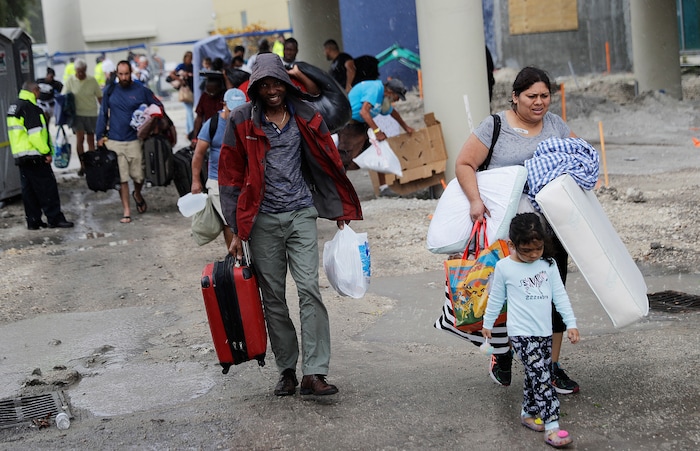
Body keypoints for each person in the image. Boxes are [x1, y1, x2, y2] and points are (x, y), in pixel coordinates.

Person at [218, 53, 362, 397]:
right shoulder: (240, 121)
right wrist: (236, 228)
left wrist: (338, 204)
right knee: (274, 299)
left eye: (276, 83)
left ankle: (314, 371)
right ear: (254, 88)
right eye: (264, 85)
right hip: (262, 220)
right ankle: (286, 369)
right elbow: (230, 176)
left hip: (301, 214)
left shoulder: (306, 115)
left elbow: (329, 160)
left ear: (286, 84)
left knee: (309, 289)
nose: (271, 90)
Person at [454, 66, 580, 394]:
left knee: (552, 295)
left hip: (552, 230)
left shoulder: (556, 125)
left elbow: (579, 158)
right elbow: (464, 163)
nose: (539, 102)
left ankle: (550, 367)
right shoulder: (495, 126)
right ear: (515, 96)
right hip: (506, 232)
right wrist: (475, 201)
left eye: (544, 96)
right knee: (512, 296)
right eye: (531, 96)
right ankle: (504, 353)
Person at [482, 213, 579, 448]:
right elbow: (496, 298)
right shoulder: (504, 267)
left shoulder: (549, 264)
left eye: (538, 248)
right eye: (527, 250)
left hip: (544, 331)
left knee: (536, 374)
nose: (534, 254)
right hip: (521, 334)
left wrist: (571, 323)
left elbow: (560, 297)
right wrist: (488, 322)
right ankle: (552, 425)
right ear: (512, 245)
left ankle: (528, 412)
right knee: (543, 379)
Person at [95, 61, 163, 224]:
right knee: (122, 178)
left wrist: (149, 120)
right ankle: (126, 210)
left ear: (131, 72)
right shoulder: (110, 91)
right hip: (115, 141)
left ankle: (137, 193)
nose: (124, 77)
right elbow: (103, 113)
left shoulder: (141, 91)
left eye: (126, 74)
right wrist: (99, 135)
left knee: (139, 176)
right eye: (121, 74)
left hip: (135, 140)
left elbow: (158, 107)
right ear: (117, 74)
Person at [6, 81, 74, 230]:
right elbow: (36, 135)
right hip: (35, 155)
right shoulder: (31, 108)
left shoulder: (15, 106)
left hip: (22, 156)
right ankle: (55, 218)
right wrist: (46, 152)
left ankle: (34, 220)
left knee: (29, 191)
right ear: (35, 91)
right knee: (47, 188)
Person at [338, 78, 414, 197]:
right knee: (344, 157)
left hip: (362, 124)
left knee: (377, 151)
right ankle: (339, 191)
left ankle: (384, 188)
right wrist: (377, 131)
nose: (397, 100)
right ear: (389, 92)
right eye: (397, 97)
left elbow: (392, 112)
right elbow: (364, 112)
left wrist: (406, 126)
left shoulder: (383, 98)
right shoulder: (375, 89)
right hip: (349, 124)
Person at [191, 88, 247, 249]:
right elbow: (198, 154)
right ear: (224, 105)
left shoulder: (247, 122)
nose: (236, 113)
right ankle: (236, 256)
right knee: (228, 220)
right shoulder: (213, 124)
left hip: (243, 179)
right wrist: (195, 181)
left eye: (240, 109)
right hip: (217, 181)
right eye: (232, 109)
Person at [62, 58, 103, 176]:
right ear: (75, 70)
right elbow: (63, 97)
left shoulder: (92, 80)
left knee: (91, 140)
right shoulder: (70, 80)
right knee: (80, 139)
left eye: (83, 71)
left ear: (85, 70)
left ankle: (91, 164)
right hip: (77, 115)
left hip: (91, 113)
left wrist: (106, 113)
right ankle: (82, 165)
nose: (80, 74)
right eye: (78, 71)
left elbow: (99, 97)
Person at [192, 75, 225, 144]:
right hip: (209, 130)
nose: (210, 94)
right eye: (208, 91)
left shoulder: (224, 97)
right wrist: (195, 137)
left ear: (219, 88)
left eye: (213, 91)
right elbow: (199, 117)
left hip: (223, 131)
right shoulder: (204, 96)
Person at [169, 51, 195, 137]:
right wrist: (180, 79)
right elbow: (171, 74)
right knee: (189, 111)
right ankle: (191, 129)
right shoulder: (181, 66)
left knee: (189, 112)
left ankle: (189, 130)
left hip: (192, 90)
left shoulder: (192, 66)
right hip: (185, 90)